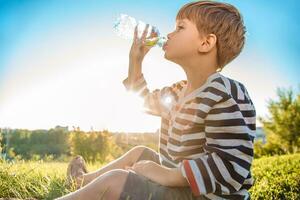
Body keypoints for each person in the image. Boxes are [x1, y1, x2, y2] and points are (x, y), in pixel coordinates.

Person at [55, 1, 255, 199]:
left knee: (116, 181)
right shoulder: (179, 91)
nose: (169, 34)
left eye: (180, 28)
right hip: (179, 182)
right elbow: (143, 100)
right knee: (139, 152)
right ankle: (81, 182)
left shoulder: (224, 93)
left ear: (206, 43)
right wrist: (136, 61)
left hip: (204, 196)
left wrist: (166, 174)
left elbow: (231, 164)